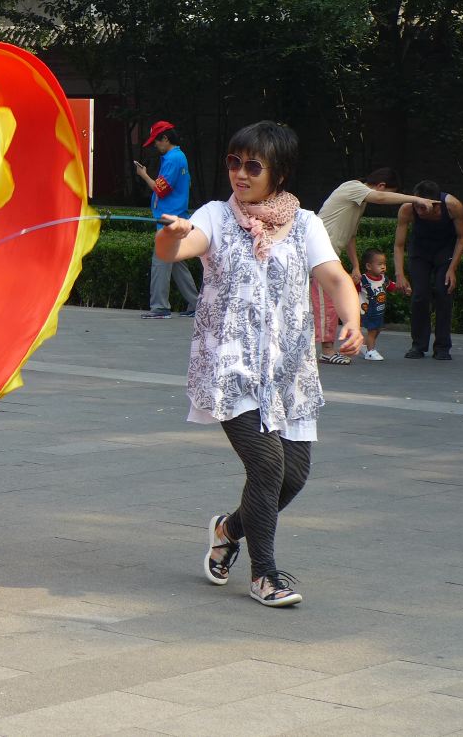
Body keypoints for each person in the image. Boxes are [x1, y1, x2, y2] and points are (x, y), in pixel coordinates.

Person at [155, 121, 362, 608]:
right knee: (268, 466)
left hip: (288, 371)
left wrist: (351, 320)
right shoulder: (213, 216)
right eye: (233, 163)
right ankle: (265, 575)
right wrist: (174, 234)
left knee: (294, 476)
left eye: (253, 166)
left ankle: (228, 529)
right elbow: (176, 250)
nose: (240, 174)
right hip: (231, 368)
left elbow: (333, 277)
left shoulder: (306, 223)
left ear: (280, 173)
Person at [314, 169, 438, 365]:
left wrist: (355, 266)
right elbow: (380, 198)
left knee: (328, 301)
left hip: (326, 256)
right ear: (380, 186)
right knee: (326, 303)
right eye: (390, 192)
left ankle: (327, 347)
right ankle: (327, 351)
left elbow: (350, 237)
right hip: (316, 255)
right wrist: (416, 199)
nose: (388, 195)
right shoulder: (353, 187)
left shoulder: (358, 202)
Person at [394, 180, 463, 360]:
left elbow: (462, 237)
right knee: (419, 295)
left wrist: (452, 269)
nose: (419, 210)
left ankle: (442, 347)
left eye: (423, 207)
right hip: (420, 251)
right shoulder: (407, 208)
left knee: (443, 293)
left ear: (436, 204)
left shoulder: (453, 206)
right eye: (417, 206)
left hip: (444, 251)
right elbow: (399, 244)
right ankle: (418, 345)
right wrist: (400, 274)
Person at [134, 120, 199, 319]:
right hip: (175, 216)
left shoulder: (173, 159)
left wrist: (144, 175)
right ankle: (196, 304)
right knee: (176, 262)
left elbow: (160, 190)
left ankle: (160, 307)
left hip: (168, 219)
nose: (155, 144)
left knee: (161, 260)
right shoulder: (177, 157)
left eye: (157, 140)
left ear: (165, 138)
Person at [358, 248, 397, 361]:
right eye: (379, 264)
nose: (383, 266)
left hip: (379, 310)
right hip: (367, 310)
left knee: (377, 329)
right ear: (369, 266)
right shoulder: (363, 280)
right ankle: (370, 352)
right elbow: (351, 289)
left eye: (384, 264)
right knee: (373, 330)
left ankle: (365, 347)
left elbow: (391, 286)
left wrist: (402, 288)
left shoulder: (383, 279)